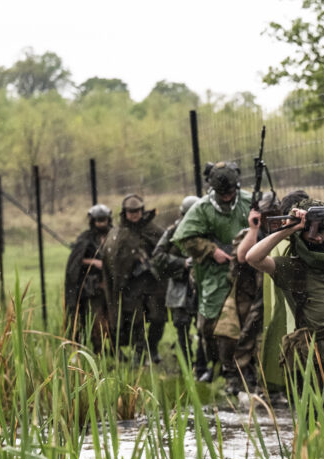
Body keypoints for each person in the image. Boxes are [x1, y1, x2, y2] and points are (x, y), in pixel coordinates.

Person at [242, 190, 324, 390]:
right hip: (318, 356)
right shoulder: (291, 268)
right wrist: (289, 229)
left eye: (323, 231)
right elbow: (252, 258)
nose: (318, 238)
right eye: (310, 232)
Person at [172, 162, 261, 393]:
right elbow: (185, 238)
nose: (227, 197)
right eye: (222, 194)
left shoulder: (249, 202)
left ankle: (246, 371)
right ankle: (224, 368)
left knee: (249, 321)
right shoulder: (202, 209)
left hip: (248, 274)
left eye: (230, 192)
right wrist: (212, 250)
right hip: (215, 274)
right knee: (212, 325)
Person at [102, 193, 167, 363]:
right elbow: (113, 258)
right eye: (130, 211)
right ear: (125, 212)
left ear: (142, 210)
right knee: (135, 320)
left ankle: (152, 347)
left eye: (137, 211)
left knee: (158, 317)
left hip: (153, 282)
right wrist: (131, 260)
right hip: (131, 285)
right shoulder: (119, 233)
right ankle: (139, 353)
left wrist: (152, 261)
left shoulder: (153, 230)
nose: (134, 214)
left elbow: (166, 250)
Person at [152, 195, 207, 375]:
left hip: (203, 284)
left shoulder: (207, 229)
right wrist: (181, 263)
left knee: (204, 327)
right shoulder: (173, 231)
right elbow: (158, 256)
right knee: (181, 327)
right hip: (179, 286)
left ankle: (202, 366)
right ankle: (186, 365)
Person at [64, 203, 112, 353]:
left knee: (113, 320)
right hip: (93, 287)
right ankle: (99, 350)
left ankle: (115, 349)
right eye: (98, 220)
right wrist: (93, 262)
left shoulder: (114, 235)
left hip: (112, 286)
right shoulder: (86, 238)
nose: (101, 223)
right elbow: (76, 260)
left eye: (104, 220)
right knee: (97, 320)